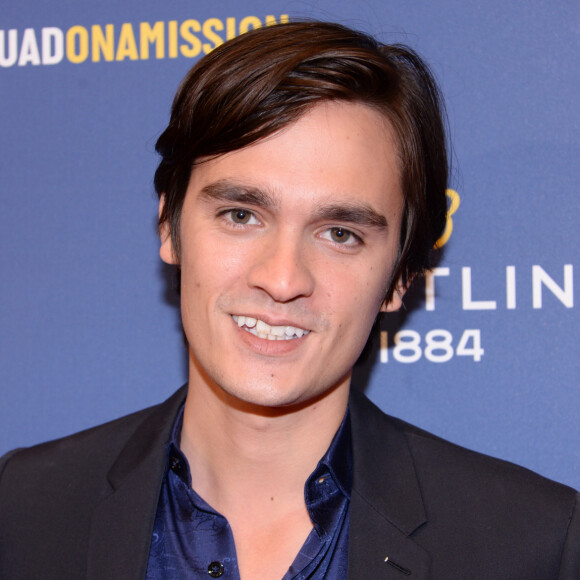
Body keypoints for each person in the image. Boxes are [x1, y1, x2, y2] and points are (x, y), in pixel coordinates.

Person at [0, 21, 578, 580]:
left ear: (401, 276)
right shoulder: (22, 513)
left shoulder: (535, 546)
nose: (281, 279)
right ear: (169, 227)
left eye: (340, 233)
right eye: (242, 215)